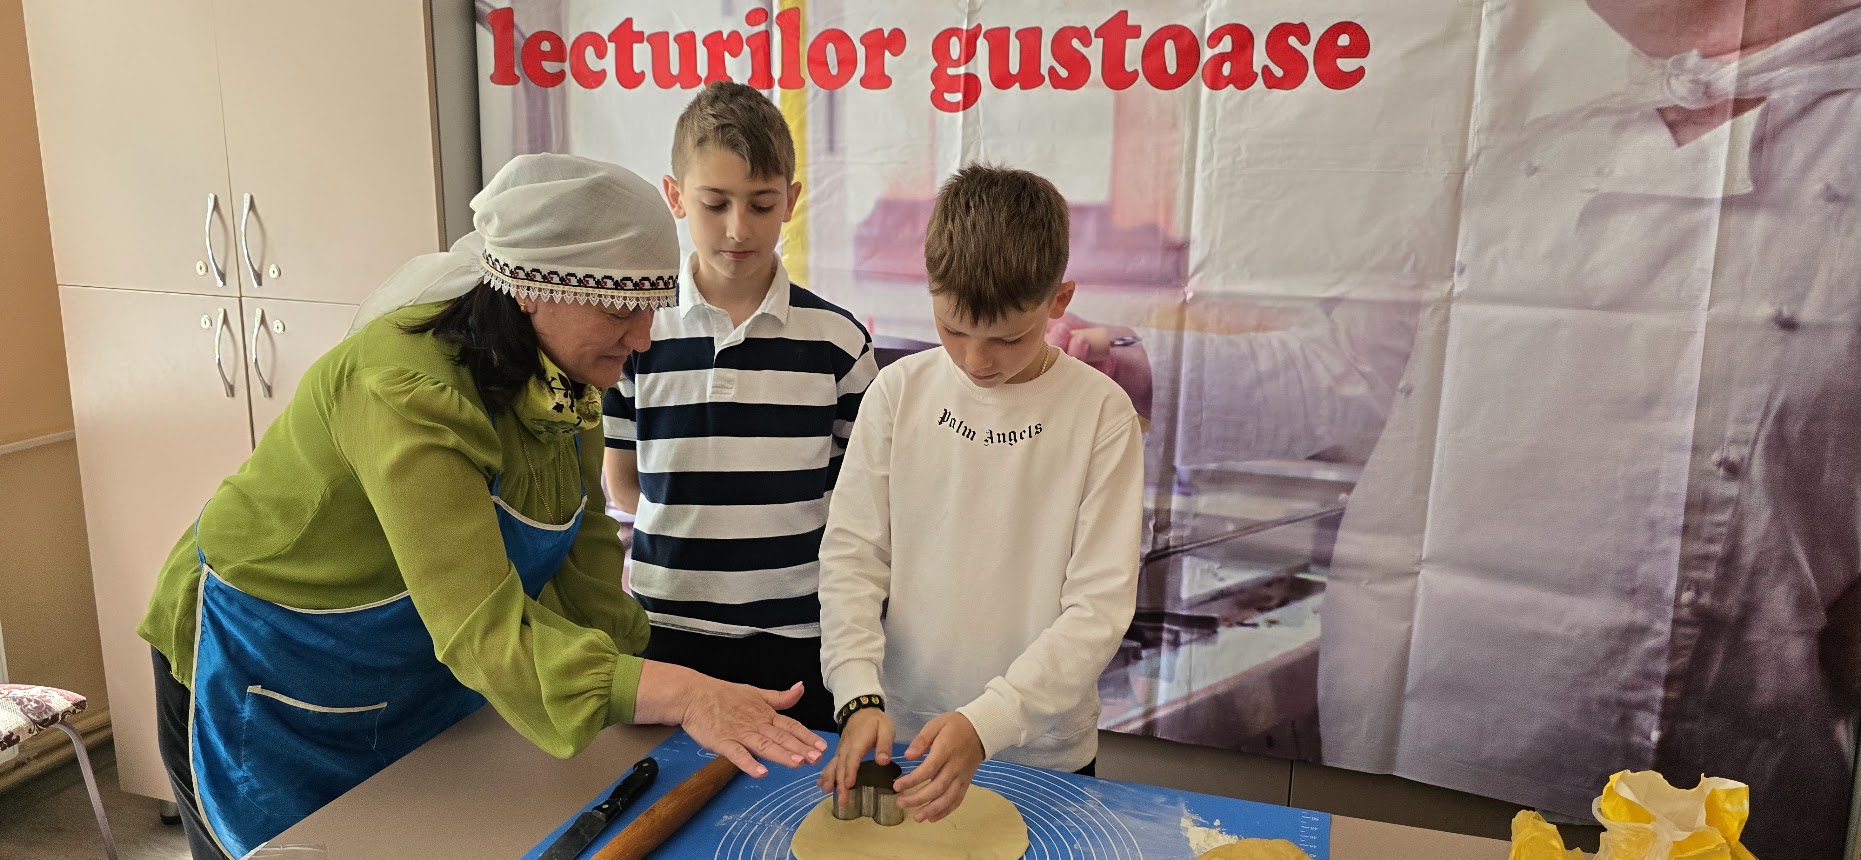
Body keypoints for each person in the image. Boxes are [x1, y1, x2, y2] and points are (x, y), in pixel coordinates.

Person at [1061, 2, 1861, 855]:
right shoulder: (1529, 156)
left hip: (1693, 770)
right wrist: (1129, 366)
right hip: (1407, 726)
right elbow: (1348, 371)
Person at [138, 154, 826, 860]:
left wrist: (657, 696)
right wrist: (681, 695)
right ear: (530, 292)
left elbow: (586, 564)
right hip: (270, 666)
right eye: (620, 310)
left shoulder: (564, 386)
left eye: (652, 308)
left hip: (405, 672)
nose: (643, 338)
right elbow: (480, 629)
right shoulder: (403, 389)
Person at [816, 165, 1145, 823]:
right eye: (953, 329)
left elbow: (1097, 608)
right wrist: (856, 693)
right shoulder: (898, 393)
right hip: (902, 733)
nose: (975, 360)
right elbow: (852, 560)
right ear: (930, 289)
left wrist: (988, 720)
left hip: (1042, 752)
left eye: (1007, 339)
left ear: (1059, 300)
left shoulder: (1101, 413)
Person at [602, 82, 875, 733]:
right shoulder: (636, 330)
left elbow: (856, 505)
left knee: (793, 790)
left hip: (794, 637)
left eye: (760, 204)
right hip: (665, 630)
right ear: (675, 196)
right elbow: (621, 479)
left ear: (791, 201)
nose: (737, 227)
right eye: (714, 202)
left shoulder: (838, 342)